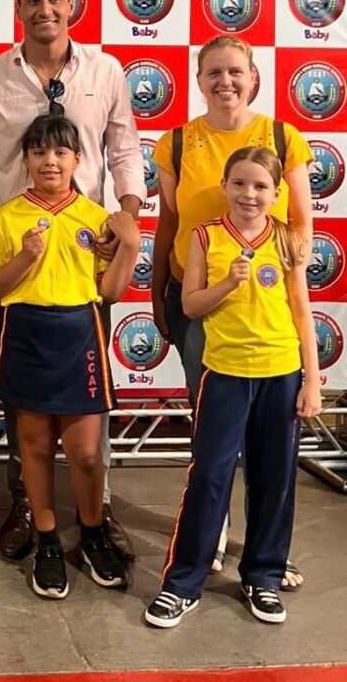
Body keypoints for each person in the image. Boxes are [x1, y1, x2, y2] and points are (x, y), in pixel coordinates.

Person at [0, 0, 145, 562]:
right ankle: (24, 501)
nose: (45, 9)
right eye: (34, 0)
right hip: (19, 248)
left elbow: (124, 150)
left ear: (71, 6)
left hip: (86, 248)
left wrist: (124, 219)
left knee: (90, 397)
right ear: (18, 9)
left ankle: (100, 507)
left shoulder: (105, 70)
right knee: (26, 398)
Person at [151, 35, 313, 587]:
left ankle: (268, 553)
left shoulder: (282, 136)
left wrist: (287, 273)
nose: (226, 81)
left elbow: (301, 222)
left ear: (253, 77)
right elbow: (168, 223)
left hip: (265, 308)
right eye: (214, 72)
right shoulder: (176, 143)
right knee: (214, 434)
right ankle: (211, 535)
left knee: (267, 441)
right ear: (199, 80)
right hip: (197, 302)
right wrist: (157, 289)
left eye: (235, 71)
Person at [144, 148, 320, 628]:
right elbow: (191, 305)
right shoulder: (205, 236)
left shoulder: (286, 239)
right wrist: (226, 284)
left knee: (274, 478)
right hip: (223, 373)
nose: (249, 194)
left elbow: (302, 312)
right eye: (239, 183)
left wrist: (312, 380)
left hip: (280, 373)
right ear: (224, 186)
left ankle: (263, 577)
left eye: (260, 186)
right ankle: (183, 584)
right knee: (209, 476)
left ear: (276, 193)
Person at [0, 114, 139, 599]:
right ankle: (47, 542)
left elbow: (110, 291)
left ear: (77, 159)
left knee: (87, 453)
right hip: (27, 334)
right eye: (40, 152)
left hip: (79, 334)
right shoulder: (8, 217)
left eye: (60, 152)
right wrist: (25, 257)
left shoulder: (96, 217)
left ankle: (91, 536)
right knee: (36, 449)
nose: (50, 161)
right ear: (25, 160)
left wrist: (129, 246)